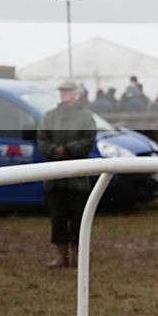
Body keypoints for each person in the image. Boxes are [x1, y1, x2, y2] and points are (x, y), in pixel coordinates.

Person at [37, 81, 97, 268]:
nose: (64, 94)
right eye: (62, 91)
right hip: (55, 178)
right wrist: (54, 151)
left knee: (78, 219)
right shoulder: (50, 117)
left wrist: (68, 149)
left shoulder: (85, 117)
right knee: (58, 219)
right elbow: (42, 139)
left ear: (75, 94)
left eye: (67, 91)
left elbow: (88, 140)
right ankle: (61, 256)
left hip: (77, 179)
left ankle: (77, 255)